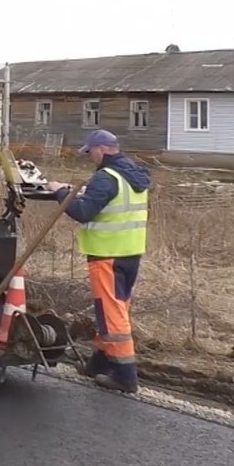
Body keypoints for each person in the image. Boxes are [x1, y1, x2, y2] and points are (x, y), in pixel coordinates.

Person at [45, 129, 152, 394]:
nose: (89, 156)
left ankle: (126, 377)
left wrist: (60, 193)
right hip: (130, 253)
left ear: (102, 149)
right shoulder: (133, 174)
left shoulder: (105, 178)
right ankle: (98, 364)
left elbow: (82, 212)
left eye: (90, 151)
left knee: (112, 315)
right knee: (116, 310)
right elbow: (105, 205)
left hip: (107, 256)